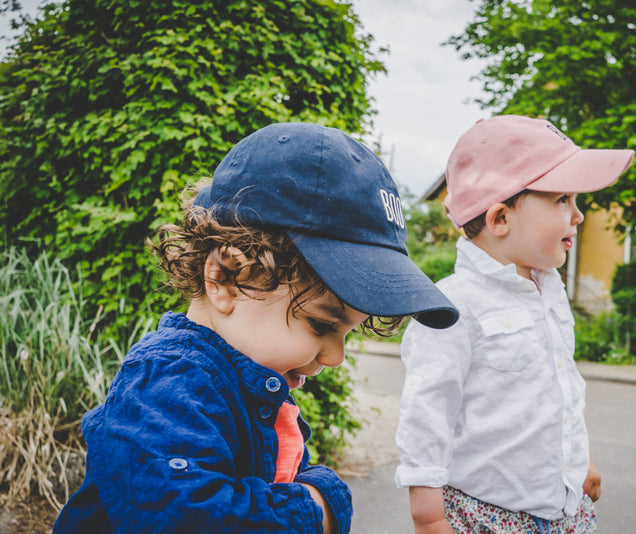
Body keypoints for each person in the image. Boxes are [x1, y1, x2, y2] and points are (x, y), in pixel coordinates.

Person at [53, 122, 459, 534]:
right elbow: (190, 520)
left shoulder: (250, 383)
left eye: (348, 331)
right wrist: (322, 502)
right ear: (227, 277)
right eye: (321, 323)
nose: (336, 357)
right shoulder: (167, 380)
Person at [395, 115, 634, 533]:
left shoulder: (550, 292)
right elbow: (426, 416)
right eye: (563, 200)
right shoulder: (453, 306)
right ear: (500, 218)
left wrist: (583, 457)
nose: (578, 216)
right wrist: (429, 517)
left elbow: (563, 388)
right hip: (489, 514)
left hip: (566, 510)